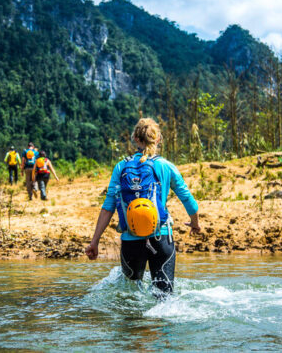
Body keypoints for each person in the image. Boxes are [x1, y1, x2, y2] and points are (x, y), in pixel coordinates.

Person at [85, 118, 201, 297]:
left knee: (130, 296)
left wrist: (95, 241)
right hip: (161, 238)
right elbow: (188, 200)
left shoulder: (121, 166)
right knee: (164, 300)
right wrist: (195, 223)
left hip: (131, 242)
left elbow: (108, 206)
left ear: (135, 139)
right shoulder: (166, 166)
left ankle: (136, 326)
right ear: (158, 139)